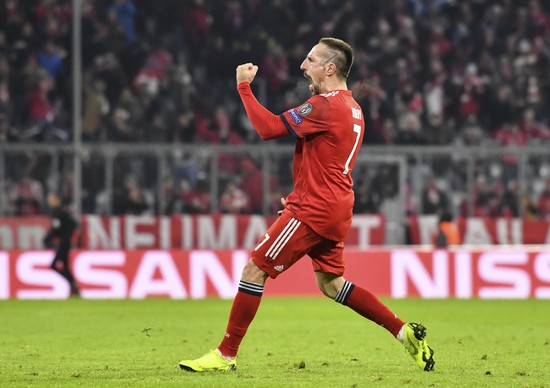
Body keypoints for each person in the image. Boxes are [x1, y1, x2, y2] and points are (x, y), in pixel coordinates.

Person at [179, 37, 435, 373]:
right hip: (336, 206)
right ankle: (403, 332)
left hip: (314, 209)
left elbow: (268, 128)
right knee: (332, 284)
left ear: (330, 68)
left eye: (311, 60)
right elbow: (323, 160)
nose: (303, 65)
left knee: (254, 270)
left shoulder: (325, 106)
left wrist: (243, 87)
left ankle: (225, 354)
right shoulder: (353, 107)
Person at [43, 192, 81, 297]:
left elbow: (57, 229)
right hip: (64, 243)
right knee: (65, 266)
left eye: (52, 199)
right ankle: (73, 287)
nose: (50, 201)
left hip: (64, 244)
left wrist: (48, 239)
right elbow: (64, 227)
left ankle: (73, 284)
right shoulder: (60, 212)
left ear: (57, 200)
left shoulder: (60, 213)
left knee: (54, 265)